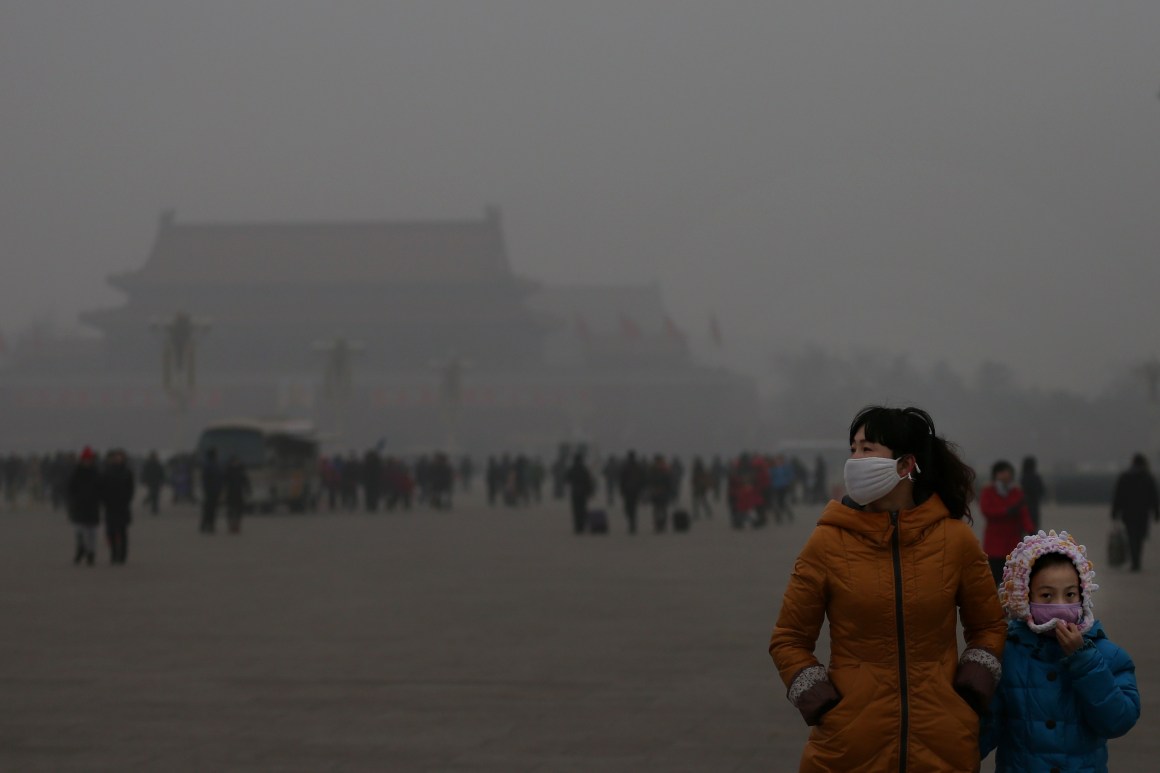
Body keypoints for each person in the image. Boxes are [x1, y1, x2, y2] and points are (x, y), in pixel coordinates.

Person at [770, 406, 1006, 772]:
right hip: (848, 743)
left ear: (905, 464)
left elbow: (989, 626)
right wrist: (822, 703)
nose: (854, 460)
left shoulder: (956, 540)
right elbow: (788, 637)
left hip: (943, 742)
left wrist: (970, 692)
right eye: (853, 449)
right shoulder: (827, 542)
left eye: (868, 449)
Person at [981, 530, 1139, 771]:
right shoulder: (1008, 654)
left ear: (1083, 594)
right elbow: (985, 731)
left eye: (1070, 594)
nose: (1060, 605)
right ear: (1024, 597)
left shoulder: (1107, 656)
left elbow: (1118, 721)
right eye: (1046, 595)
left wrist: (1084, 661)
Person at [980, 460, 1035, 585]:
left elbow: (1024, 514)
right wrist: (1006, 511)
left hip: (1012, 542)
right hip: (994, 543)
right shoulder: (988, 491)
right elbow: (986, 510)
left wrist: (1031, 530)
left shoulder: (1016, 492)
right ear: (995, 475)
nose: (1005, 475)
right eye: (1002, 472)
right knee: (994, 578)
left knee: (1013, 579)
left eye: (1008, 472)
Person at [1110, 453, 1159, 572]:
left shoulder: (1125, 477)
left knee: (1131, 535)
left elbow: (1119, 495)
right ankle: (1137, 560)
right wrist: (1156, 511)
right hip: (1143, 513)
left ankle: (1134, 560)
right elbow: (1154, 496)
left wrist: (1115, 511)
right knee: (1140, 537)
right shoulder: (1147, 477)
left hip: (1128, 513)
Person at [68, 447, 102, 566]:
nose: (87, 462)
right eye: (85, 460)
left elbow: (101, 487)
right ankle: (81, 548)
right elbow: (71, 488)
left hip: (92, 505)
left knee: (92, 532)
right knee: (79, 531)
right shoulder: (77, 472)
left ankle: (91, 553)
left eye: (89, 460)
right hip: (80, 505)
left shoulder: (96, 472)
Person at [101, 449, 135, 564]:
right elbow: (102, 487)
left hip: (122, 506)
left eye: (120, 457)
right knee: (110, 531)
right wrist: (104, 500)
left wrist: (127, 499)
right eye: (116, 457)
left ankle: (122, 555)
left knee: (122, 531)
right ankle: (114, 553)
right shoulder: (107, 471)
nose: (118, 459)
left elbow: (131, 488)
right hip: (110, 505)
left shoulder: (127, 472)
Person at [618, 451, 646, 534]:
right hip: (635, 491)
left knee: (628, 508)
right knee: (633, 507)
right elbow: (642, 479)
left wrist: (622, 490)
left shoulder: (625, 466)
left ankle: (631, 523)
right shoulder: (638, 466)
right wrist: (641, 489)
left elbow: (622, 480)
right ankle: (633, 523)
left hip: (628, 491)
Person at [566, 454, 594, 534]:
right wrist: (590, 492)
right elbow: (588, 481)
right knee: (582, 509)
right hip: (583, 492)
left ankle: (577, 527)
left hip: (575, 492)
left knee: (576, 510)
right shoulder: (584, 469)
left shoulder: (572, 469)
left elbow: (567, 479)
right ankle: (582, 526)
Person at [222, 456, 250, 534]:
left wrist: (247, 489)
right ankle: (232, 526)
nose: (236, 463)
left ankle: (236, 526)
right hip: (231, 493)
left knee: (238, 511)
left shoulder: (239, 470)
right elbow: (224, 482)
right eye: (235, 461)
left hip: (237, 493)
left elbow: (245, 481)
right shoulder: (229, 470)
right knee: (231, 510)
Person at [1019, 455, 1045, 532]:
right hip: (1034, 505)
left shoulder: (1023, 477)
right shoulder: (1036, 477)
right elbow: (1041, 490)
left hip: (1024, 506)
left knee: (1022, 531)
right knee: (1034, 530)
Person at [200, 448, 222, 534]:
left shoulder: (211, 465)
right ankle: (208, 525)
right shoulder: (211, 465)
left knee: (210, 509)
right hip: (212, 491)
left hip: (212, 490)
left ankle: (207, 525)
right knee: (210, 509)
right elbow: (206, 479)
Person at [141, 451, 165, 516]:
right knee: (154, 494)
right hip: (152, 482)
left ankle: (154, 508)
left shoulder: (156, 464)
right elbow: (145, 473)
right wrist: (144, 480)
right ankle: (153, 507)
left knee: (155, 495)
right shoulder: (149, 464)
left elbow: (161, 473)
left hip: (155, 481)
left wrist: (162, 480)